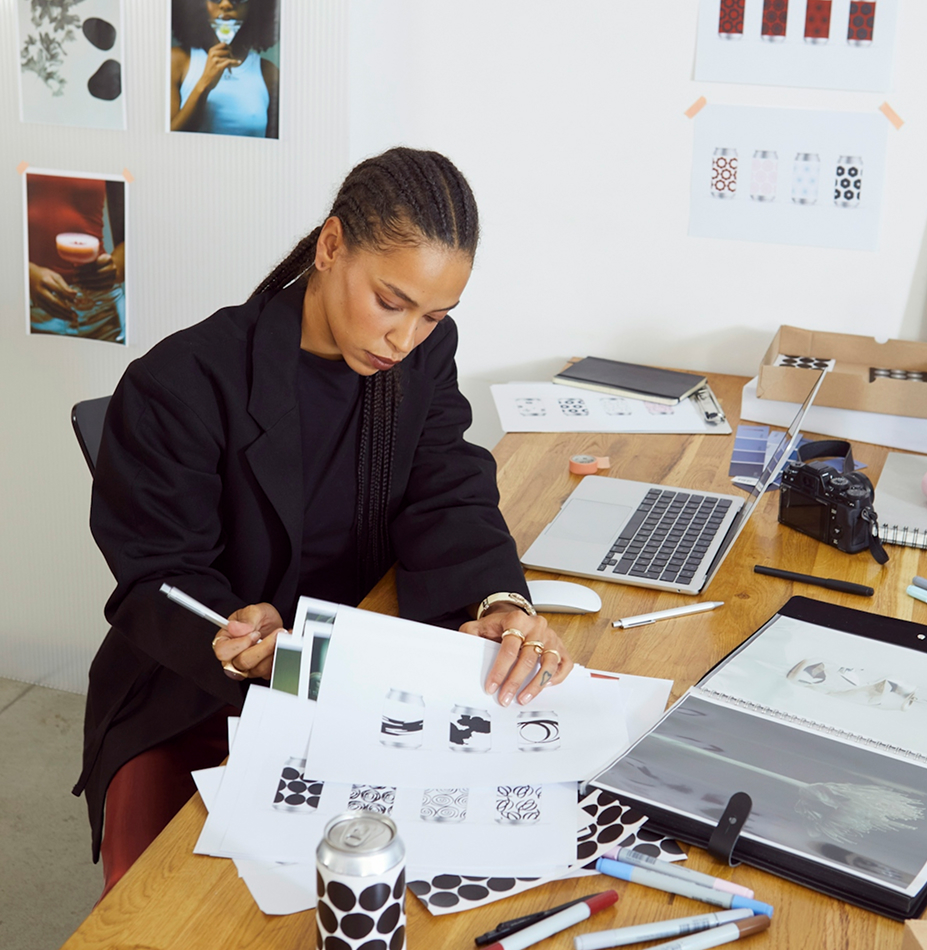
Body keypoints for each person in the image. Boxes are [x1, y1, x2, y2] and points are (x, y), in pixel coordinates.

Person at [74, 147, 574, 899]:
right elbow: (158, 573)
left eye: (434, 316)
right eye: (391, 302)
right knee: (169, 927)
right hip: (202, 693)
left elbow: (447, 484)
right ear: (332, 245)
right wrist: (234, 636)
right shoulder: (180, 382)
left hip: (359, 682)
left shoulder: (421, 356)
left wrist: (498, 602)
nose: (406, 339)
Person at [26, 174, 125, 343]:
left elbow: (131, 239)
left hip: (102, 314)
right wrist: (26, 275)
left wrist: (114, 268)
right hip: (29, 313)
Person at [170, 0, 279, 138]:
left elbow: (277, 152)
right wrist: (205, 84)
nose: (226, 4)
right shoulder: (177, 61)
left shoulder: (269, 73)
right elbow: (165, 144)